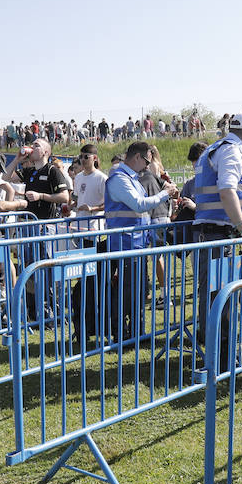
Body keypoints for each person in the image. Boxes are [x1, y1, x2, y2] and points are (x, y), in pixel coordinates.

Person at [190, 111, 242, 356]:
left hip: (211, 233)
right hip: (219, 234)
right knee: (221, 297)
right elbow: (227, 191)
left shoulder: (213, 149)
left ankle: (217, 352)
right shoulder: (233, 150)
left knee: (213, 295)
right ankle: (222, 355)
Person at [103, 141, 178, 340]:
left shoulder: (132, 178)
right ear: (137, 157)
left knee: (139, 291)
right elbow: (139, 204)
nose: (147, 166)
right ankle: (122, 333)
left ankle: (136, 332)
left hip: (136, 243)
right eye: (146, 160)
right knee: (127, 293)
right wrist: (165, 194)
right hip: (124, 244)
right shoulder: (120, 178)